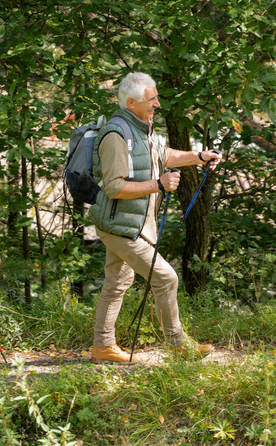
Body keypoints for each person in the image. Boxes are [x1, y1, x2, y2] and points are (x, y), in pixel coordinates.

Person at [88, 72, 222, 364]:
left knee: (116, 283)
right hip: (119, 227)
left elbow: (163, 155)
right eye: (152, 99)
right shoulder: (116, 135)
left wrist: (200, 156)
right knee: (165, 277)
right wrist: (158, 185)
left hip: (130, 224)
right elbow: (114, 187)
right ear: (132, 102)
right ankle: (178, 345)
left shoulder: (142, 128)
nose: (157, 104)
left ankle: (102, 346)